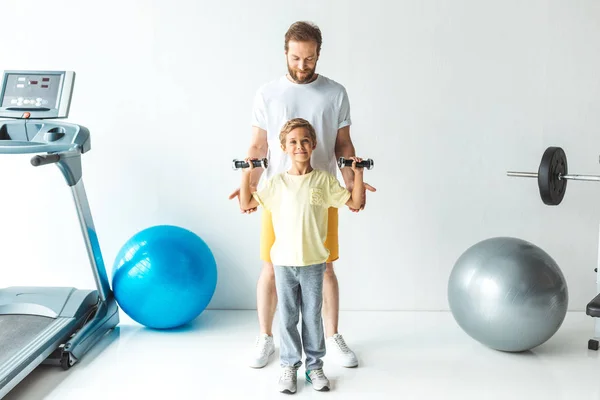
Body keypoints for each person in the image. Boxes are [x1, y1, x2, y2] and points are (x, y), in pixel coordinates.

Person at [229, 20, 376, 369]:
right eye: (295, 58)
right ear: (285, 53)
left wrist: (352, 179)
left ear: (318, 55)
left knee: (324, 268)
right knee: (270, 267)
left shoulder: (335, 93)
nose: (301, 66)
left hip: (320, 192)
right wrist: (249, 182)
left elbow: (343, 145)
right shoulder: (267, 93)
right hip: (278, 193)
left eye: (309, 59)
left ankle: (331, 336)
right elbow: (258, 145)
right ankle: (266, 338)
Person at [239, 118, 365, 394]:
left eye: (305, 141)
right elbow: (246, 203)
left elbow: (356, 202)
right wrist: (247, 173)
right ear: (283, 147)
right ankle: (289, 365)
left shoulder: (324, 180)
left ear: (314, 145)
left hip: (313, 262)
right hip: (283, 263)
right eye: (293, 142)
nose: (300, 146)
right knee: (287, 317)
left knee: (311, 316)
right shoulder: (276, 183)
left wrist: (358, 174)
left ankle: (314, 366)